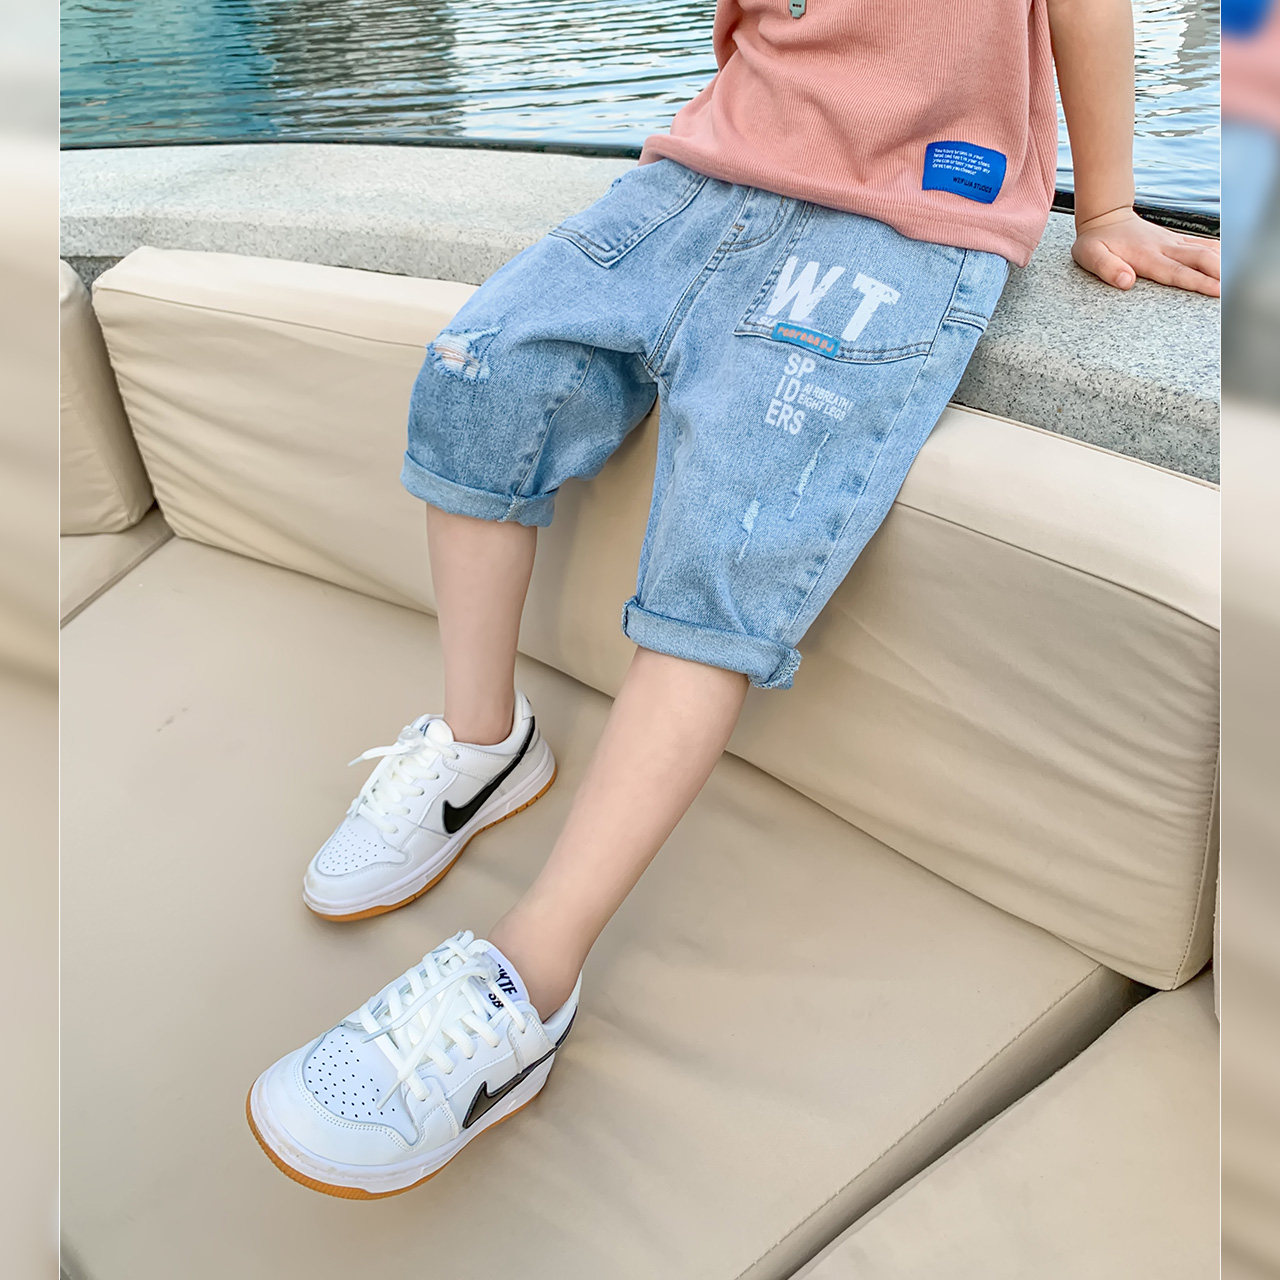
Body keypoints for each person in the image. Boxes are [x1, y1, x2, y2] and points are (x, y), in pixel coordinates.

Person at [246, 0, 1221, 1198]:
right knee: (479, 372)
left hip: (906, 218)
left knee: (731, 538)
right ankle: (478, 741)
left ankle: (528, 976)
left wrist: (1105, 206)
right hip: (709, 164)